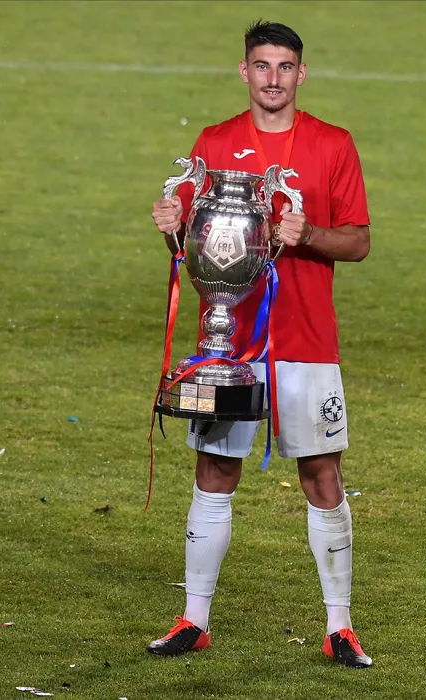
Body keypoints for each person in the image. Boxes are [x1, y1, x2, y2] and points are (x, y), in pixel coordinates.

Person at [148, 20, 372, 668]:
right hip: (229, 345)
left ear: (301, 74)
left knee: (321, 474)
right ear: (244, 71)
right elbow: (192, 242)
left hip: (307, 342)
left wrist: (308, 234)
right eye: (262, 65)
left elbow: (358, 241)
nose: (273, 78)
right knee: (215, 471)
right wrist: (170, 226)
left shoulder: (332, 144)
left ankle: (339, 627)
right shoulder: (214, 142)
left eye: (284, 66)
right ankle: (193, 619)